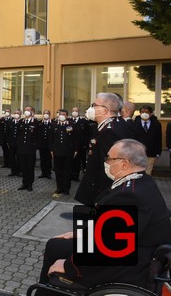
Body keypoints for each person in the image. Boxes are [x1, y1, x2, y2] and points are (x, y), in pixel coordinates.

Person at [38, 139, 171, 293]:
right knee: (55, 245)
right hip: (131, 250)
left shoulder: (130, 195)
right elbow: (113, 227)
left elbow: (109, 248)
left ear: (124, 164)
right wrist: (82, 234)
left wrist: (68, 266)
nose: (106, 162)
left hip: (129, 264)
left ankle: (46, 290)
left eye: (109, 158)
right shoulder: (142, 181)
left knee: (56, 253)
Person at [75, 92, 132, 205]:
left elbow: (110, 167)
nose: (91, 108)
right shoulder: (116, 124)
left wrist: (103, 197)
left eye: (94, 105)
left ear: (104, 110)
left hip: (101, 192)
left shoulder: (109, 132)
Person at [50, 109, 78, 197]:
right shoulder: (54, 124)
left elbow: (75, 139)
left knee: (67, 171)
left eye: (64, 114)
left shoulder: (71, 125)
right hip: (57, 152)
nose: (62, 116)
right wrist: (51, 150)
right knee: (58, 171)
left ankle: (66, 188)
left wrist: (76, 150)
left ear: (67, 116)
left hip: (68, 152)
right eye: (60, 114)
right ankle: (59, 188)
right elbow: (51, 139)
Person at [133, 105, 162, 175]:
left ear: (151, 113)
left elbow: (159, 138)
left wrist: (158, 153)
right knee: (137, 171)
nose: (144, 113)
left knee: (148, 172)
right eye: (142, 112)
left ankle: (146, 185)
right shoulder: (134, 123)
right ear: (140, 113)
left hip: (151, 153)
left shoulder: (156, 124)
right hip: (137, 153)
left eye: (147, 112)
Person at [17, 106, 39, 191]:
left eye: (28, 110)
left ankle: (30, 184)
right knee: (23, 167)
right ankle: (24, 183)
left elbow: (38, 135)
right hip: (22, 148)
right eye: (25, 110)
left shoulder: (36, 122)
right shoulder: (22, 122)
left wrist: (35, 145)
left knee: (30, 167)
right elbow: (19, 134)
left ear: (32, 112)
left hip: (30, 149)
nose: (26, 112)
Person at [69, 107, 89, 180]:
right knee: (70, 161)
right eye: (73, 111)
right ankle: (70, 175)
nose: (74, 112)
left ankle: (76, 176)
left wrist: (85, 144)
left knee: (78, 162)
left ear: (79, 112)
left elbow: (87, 134)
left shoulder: (84, 122)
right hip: (71, 145)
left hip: (80, 145)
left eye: (76, 111)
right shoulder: (69, 121)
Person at [38, 109, 53, 179]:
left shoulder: (52, 123)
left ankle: (48, 173)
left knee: (48, 160)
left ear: (49, 115)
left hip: (49, 145)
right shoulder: (40, 123)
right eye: (44, 113)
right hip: (42, 145)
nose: (45, 114)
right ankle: (43, 172)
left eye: (47, 113)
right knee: (42, 159)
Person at [7, 109, 22, 177]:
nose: (16, 114)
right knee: (12, 157)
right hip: (12, 143)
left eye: (18, 113)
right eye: (15, 113)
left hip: (19, 143)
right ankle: (13, 171)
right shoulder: (10, 122)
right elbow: (8, 133)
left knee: (19, 158)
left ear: (20, 114)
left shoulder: (22, 122)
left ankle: (19, 171)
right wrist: (8, 142)